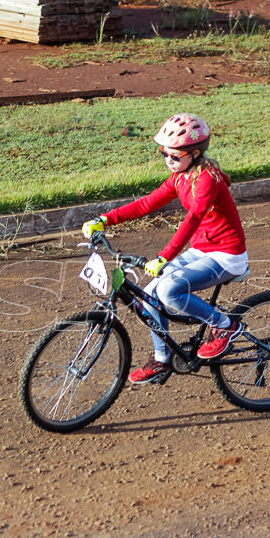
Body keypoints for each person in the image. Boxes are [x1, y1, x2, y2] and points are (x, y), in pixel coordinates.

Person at [81, 113, 249, 384]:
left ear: (195, 154)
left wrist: (164, 257)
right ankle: (162, 361)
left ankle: (226, 326)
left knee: (170, 290)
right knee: (149, 296)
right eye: (165, 155)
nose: (169, 161)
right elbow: (146, 204)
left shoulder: (208, 179)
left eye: (175, 156)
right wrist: (105, 219)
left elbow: (193, 219)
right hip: (201, 252)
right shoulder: (180, 178)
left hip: (227, 256)